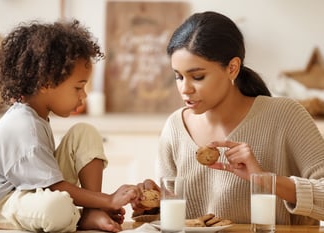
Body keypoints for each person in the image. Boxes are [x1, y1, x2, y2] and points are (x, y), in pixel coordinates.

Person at [138, 11, 324, 225]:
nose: (185, 89)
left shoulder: (285, 115)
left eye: (197, 77)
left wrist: (264, 179)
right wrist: (151, 205)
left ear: (232, 68)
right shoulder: (174, 126)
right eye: (178, 76)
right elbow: (175, 221)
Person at [0, 19, 142, 232]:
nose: (84, 96)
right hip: (3, 205)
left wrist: (99, 201)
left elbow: (48, 183)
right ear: (46, 83)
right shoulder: (24, 126)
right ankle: (83, 215)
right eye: (78, 88)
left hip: (36, 191)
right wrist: (107, 200)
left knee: (85, 132)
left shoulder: (36, 116)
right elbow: (52, 187)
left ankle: (90, 211)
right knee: (57, 207)